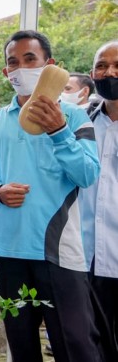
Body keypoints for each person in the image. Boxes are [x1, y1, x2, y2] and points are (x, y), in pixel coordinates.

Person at [0, 30, 102, 362]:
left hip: (57, 250)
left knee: (75, 346)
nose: (20, 68)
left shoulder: (73, 116)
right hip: (8, 249)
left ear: (50, 65)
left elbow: (87, 175)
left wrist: (59, 131)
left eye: (30, 59)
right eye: (13, 62)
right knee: (21, 346)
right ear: (6, 72)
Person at [80, 40, 118, 360]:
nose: (109, 73)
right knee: (91, 345)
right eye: (102, 66)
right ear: (92, 74)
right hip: (87, 255)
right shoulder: (82, 123)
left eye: (117, 66)